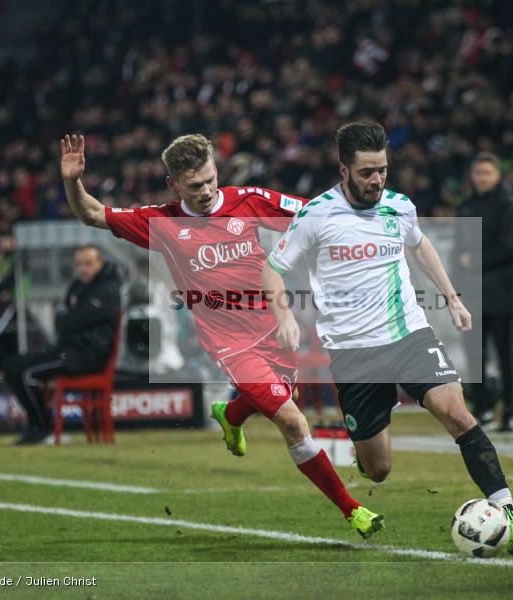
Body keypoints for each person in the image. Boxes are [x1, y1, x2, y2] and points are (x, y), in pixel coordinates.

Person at [59, 134, 382, 538]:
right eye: (195, 185)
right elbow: (92, 213)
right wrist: (72, 181)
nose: (207, 190)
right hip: (229, 342)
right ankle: (353, 510)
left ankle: (230, 416)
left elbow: (313, 213)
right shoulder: (162, 222)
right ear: (173, 184)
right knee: (293, 422)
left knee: (286, 397)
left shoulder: (248, 199)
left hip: (273, 327)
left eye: (211, 179)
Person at [263, 121, 513, 553]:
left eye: (382, 170)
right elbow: (272, 268)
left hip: (408, 334)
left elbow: (421, 246)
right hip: (354, 351)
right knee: (378, 469)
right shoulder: (316, 215)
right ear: (344, 170)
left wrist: (452, 298)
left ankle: (510, 514)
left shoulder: (400, 206)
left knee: (457, 413)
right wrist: (283, 315)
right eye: (366, 173)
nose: (376, 180)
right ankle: (367, 444)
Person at [2, 245, 122, 445]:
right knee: (12, 366)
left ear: (100, 264)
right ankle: (36, 425)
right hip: (68, 349)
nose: (83, 269)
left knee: (26, 373)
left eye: (88, 264)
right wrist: (68, 321)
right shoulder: (78, 286)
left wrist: (67, 321)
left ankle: (43, 428)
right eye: (79, 264)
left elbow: (72, 321)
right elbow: (65, 321)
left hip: (86, 355)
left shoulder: (107, 289)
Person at [452, 152, 513, 432]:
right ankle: (482, 410)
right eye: (478, 172)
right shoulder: (466, 206)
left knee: (507, 357)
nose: (481, 178)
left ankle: (510, 412)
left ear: (498, 175)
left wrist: (473, 260)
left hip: (502, 294)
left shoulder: (509, 206)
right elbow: (458, 249)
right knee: (474, 357)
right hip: (473, 295)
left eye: (487, 173)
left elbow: (510, 247)